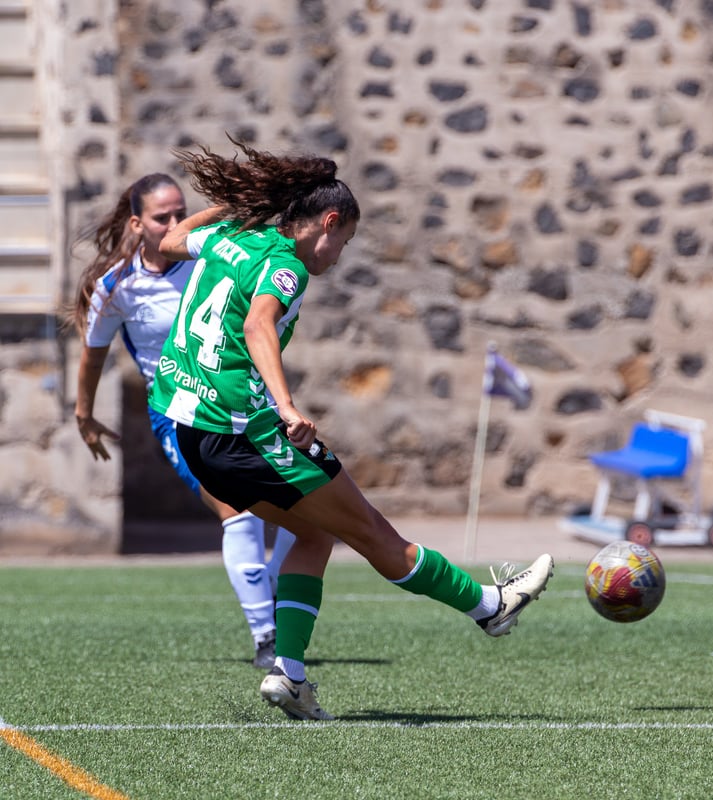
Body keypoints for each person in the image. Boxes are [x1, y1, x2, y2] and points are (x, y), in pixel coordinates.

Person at [149, 140, 554, 721]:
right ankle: (491, 607)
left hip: (192, 433)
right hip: (246, 433)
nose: (340, 256)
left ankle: (289, 674)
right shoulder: (286, 266)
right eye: (344, 240)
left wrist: (234, 207)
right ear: (328, 221)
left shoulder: (228, 236)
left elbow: (166, 243)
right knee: (373, 533)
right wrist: (287, 406)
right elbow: (260, 325)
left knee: (315, 536)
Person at [71, 172, 295, 669]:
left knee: (306, 501)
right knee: (237, 510)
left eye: (180, 212)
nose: (175, 223)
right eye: (162, 217)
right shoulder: (118, 287)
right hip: (177, 412)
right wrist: (84, 415)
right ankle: (266, 636)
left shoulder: (207, 259)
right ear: (136, 224)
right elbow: (92, 357)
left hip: (240, 401)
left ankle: (273, 583)